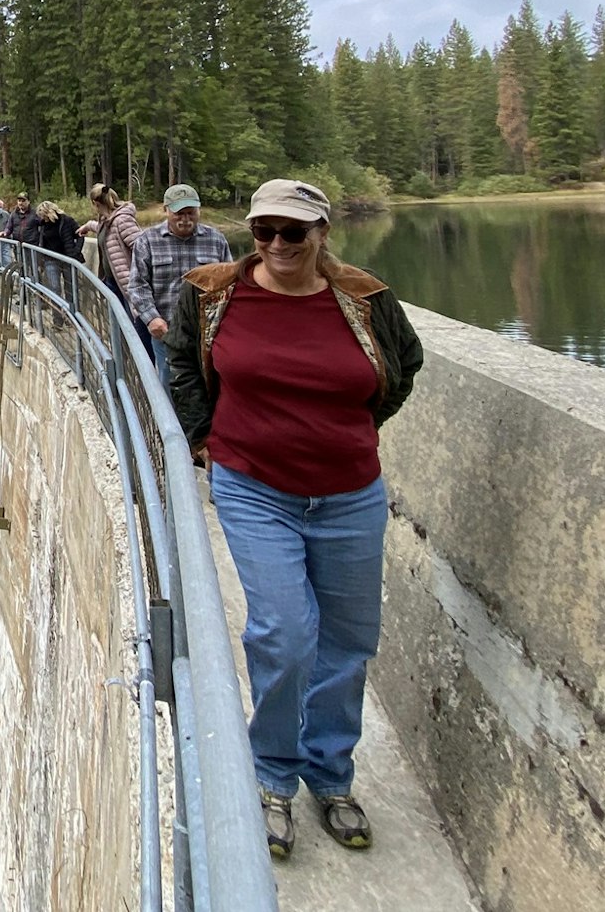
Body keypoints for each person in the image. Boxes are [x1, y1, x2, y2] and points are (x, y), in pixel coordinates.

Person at [166, 179, 423, 862]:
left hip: (350, 494)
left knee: (347, 640)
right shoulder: (212, 293)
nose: (277, 244)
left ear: (322, 234)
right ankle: (273, 775)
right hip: (255, 489)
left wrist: (352, 430)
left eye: (293, 232)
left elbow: (405, 365)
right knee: (284, 630)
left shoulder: (364, 299)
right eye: (265, 231)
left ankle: (330, 776)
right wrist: (203, 440)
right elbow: (184, 368)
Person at [128, 183, 232, 387]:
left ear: (198, 210)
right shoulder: (147, 240)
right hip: (166, 331)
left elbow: (230, 284)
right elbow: (137, 285)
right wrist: (152, 319)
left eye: (191, 213)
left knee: (211, 387)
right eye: (179, 213)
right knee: (171, 387)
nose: (185, 219)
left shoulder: (216, 240)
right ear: (166, 210)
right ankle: (169, 420)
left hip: (208, 334)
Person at [83, 184, 149, 353]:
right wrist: (89, 226)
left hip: (127, 283)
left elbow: (142, 247)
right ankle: (125, 359)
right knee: (121, 324)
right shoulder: (107, 220)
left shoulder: (122, 219)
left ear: (95, 203)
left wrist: (137, 276)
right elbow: (107, 233)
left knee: (136, 327)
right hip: (112, 281)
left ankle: (142, 367)